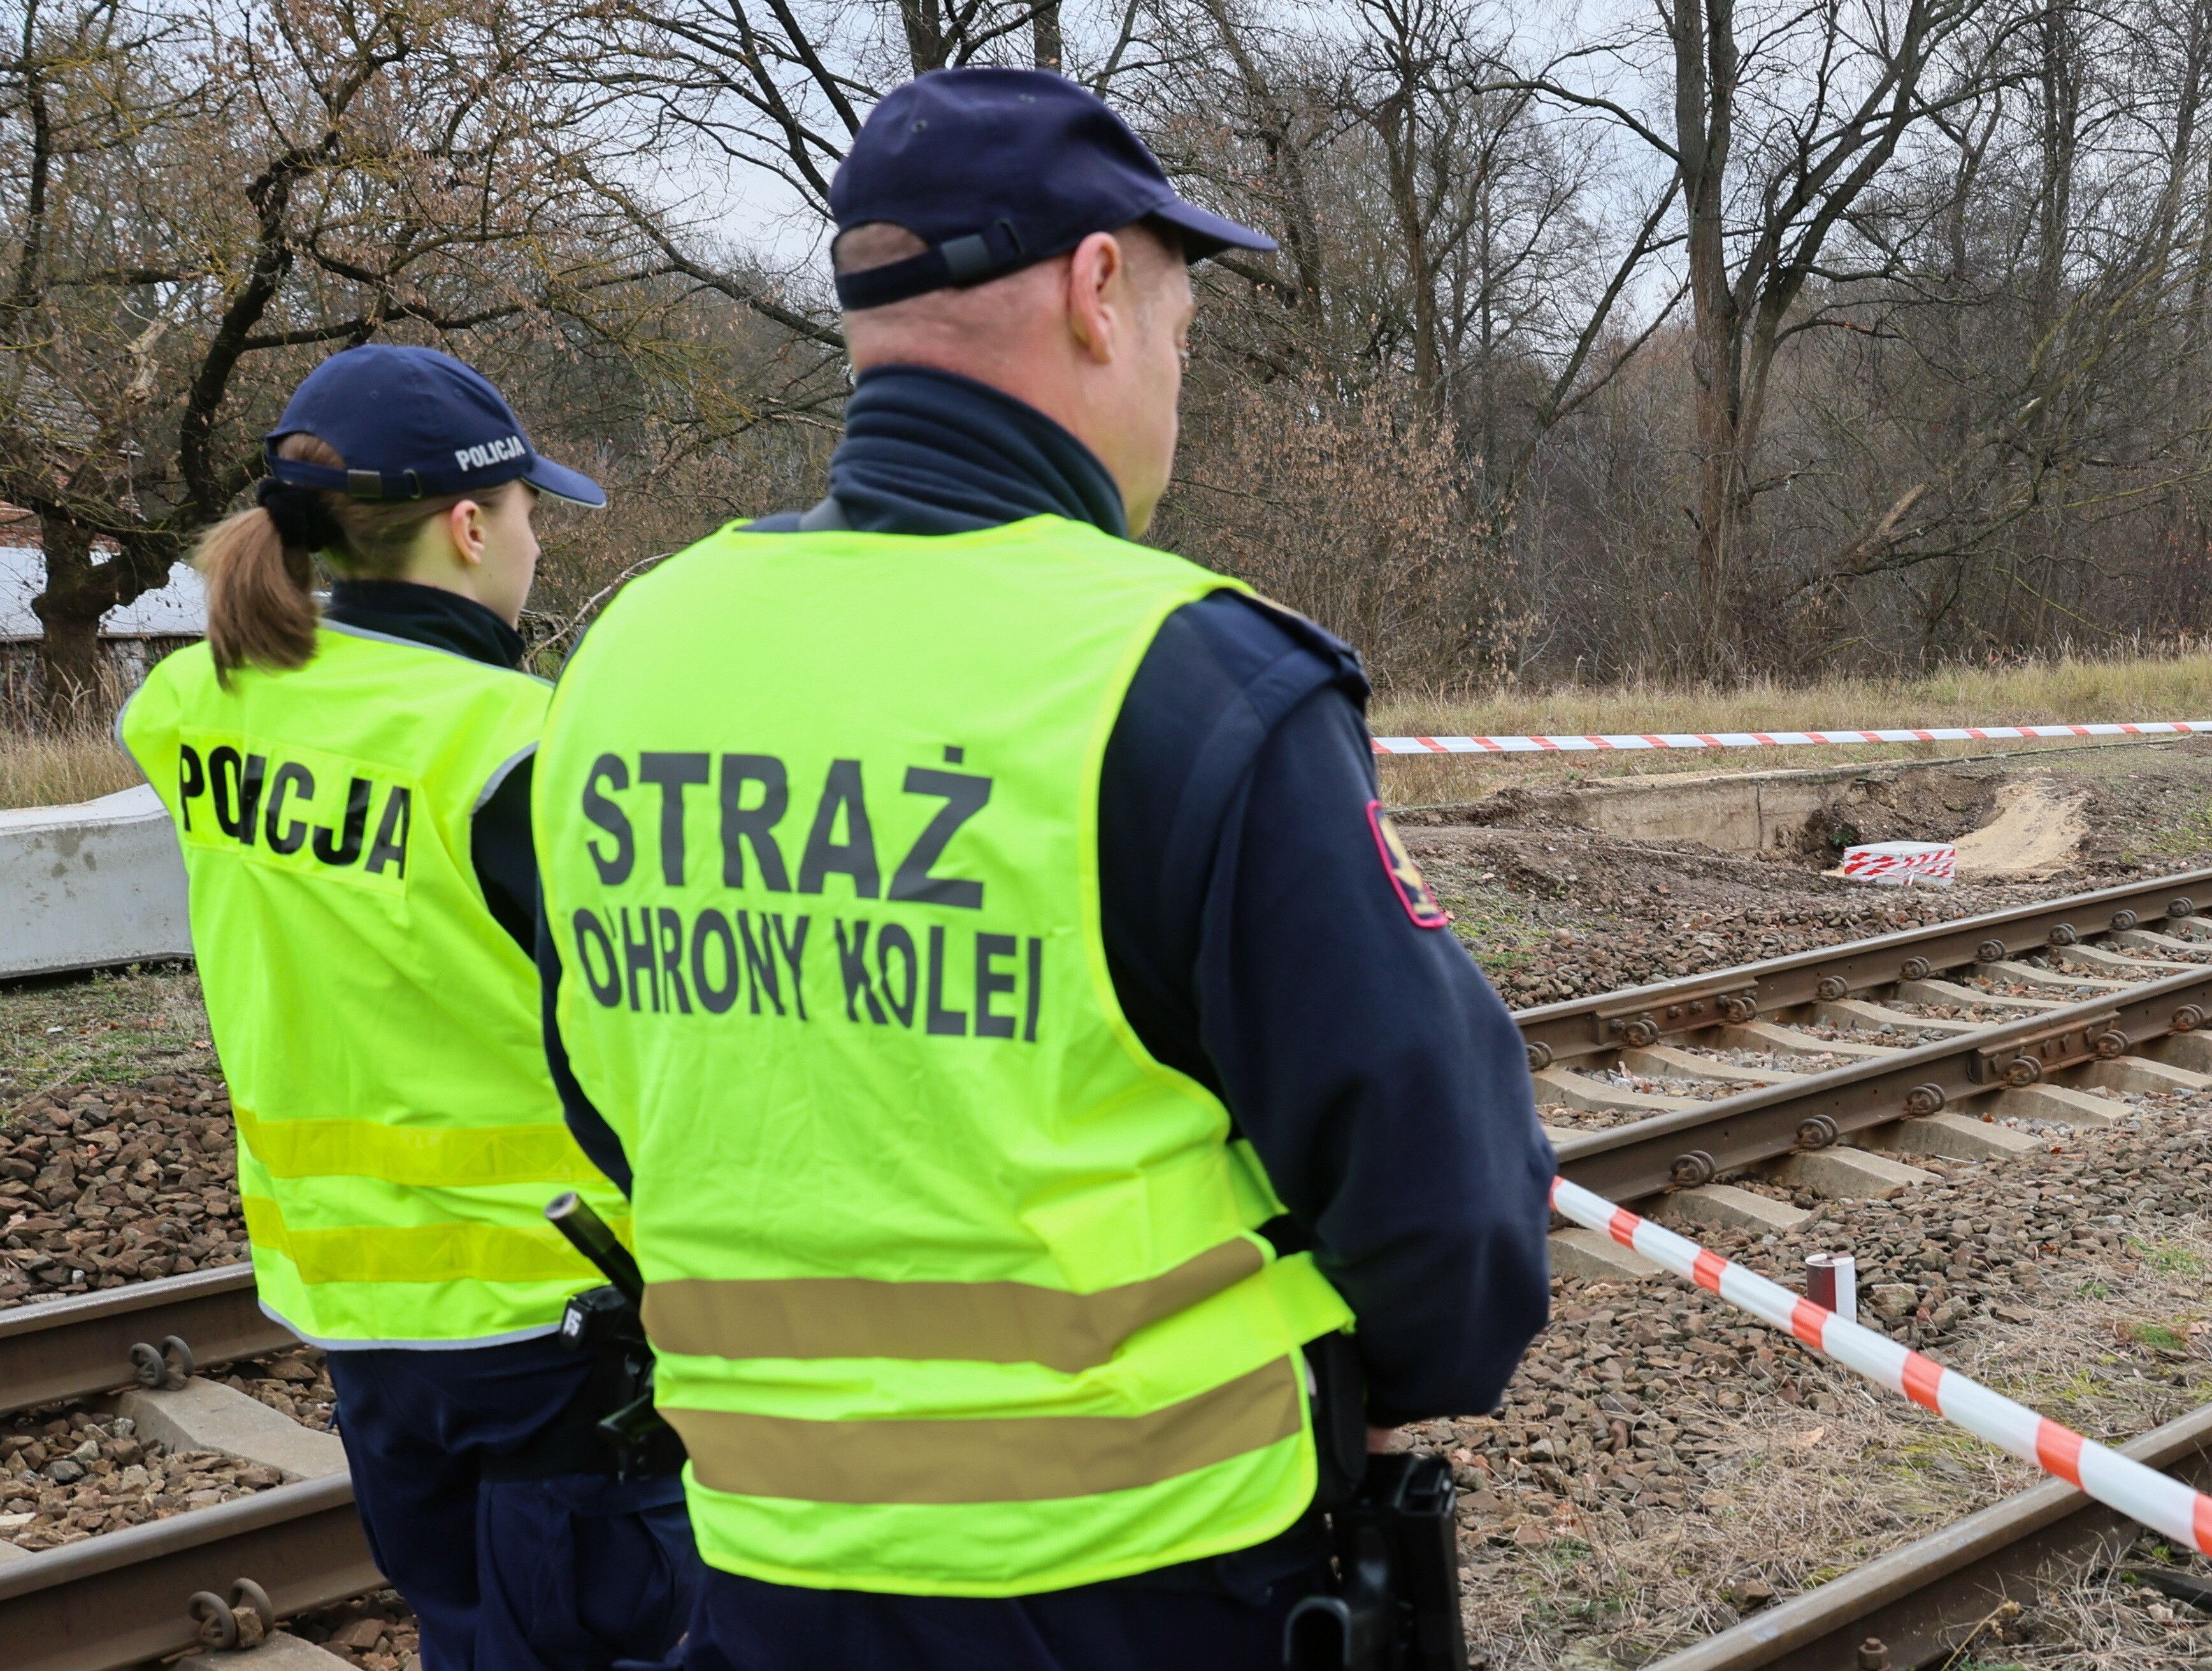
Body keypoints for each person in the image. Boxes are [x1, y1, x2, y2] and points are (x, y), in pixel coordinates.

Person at [528, 68, 1555, 1668]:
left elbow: (606, 1090)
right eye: (1178, 333)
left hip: (762, 1570)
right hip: (1150, 1580)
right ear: (1095, 291)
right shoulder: (1187, 674)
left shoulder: (630, 652)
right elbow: (1445, 1191)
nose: (1172, 381)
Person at [117, 345, 698, 1669]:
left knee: (464, 1633)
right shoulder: (518, 746)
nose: (539, 546)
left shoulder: (204, 705)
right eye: (535, 515)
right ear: (472, 523)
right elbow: (643, 1046)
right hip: (551, 1326)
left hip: (356, 1317)